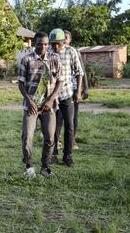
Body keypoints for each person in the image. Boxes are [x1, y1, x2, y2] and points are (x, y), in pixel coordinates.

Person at [18, 32, 62, 178]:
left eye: (45, 44)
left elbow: (60, 82)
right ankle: (29, 166)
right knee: (27, 136)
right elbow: (21, 83)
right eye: (39, 44)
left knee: (50, 137)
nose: (43, 46)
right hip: (31, 106)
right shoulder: (26, 60)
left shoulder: (55, 59)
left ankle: (45, 166)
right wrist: (29, 100)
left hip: (49, 106)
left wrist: (51, 100)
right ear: (34, 44)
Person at [49, 28, 84, 166]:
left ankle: (67, 156)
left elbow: (79, 72)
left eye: (58, 43)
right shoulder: (48, 52)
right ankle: (53, 155)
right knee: (54, 127)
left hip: (67, 94)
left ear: (64, 42)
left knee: (69, 125)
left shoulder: (71, 51)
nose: (55, 46)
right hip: (52, 96)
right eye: (53, 44)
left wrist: (78, 91)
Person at [65, 30, 89, 149]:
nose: (64, 40)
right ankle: (58, 141)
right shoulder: (55, 51)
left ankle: (72, 141)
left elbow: (82, 72)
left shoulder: (75, 52)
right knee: (58, 117)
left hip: (74, 89)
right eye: (62, 37)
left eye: (66, 38)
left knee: (73, 116)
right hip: (60, 90)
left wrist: (85, 89)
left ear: (70, 40)